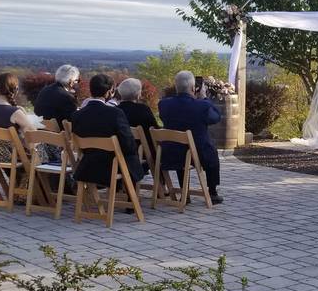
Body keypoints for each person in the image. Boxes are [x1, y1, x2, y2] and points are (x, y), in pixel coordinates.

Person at [158, 70, 223, 204]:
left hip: (171, 152)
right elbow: (216, 117)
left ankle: (184, 192)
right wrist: (205, 98)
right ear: (194, 88)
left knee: (181, 148)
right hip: (198, 154)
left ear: (176, 87)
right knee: (211, 152)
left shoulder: (164, 104)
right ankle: (212, 192)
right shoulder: (202, 105)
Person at [71, 73, 143, 187]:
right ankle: (130, 198)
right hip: (112, 166)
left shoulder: (77, 115)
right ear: (109, 92)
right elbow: (129, 145)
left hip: (87, 166)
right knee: (132, 156)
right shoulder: (115, 113)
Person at [0, 73, 39, 162]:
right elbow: (33, 135)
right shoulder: (14, 112)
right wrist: (24, 114)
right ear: (16, 89)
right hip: (13, 157)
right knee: (47, 149)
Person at [116, 77, 158, 161]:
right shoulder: (143, 109)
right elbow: (154, 130)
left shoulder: (115, 111)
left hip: (121, 153)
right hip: (144, 154)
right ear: (138, 94)